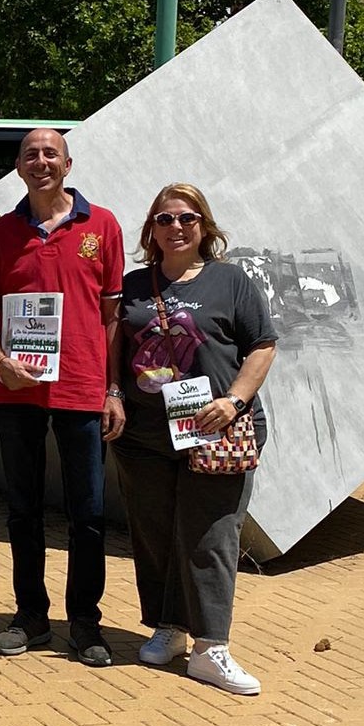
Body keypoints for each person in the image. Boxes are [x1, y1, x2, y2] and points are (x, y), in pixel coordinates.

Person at [115, 184, 277, 694]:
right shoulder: (134, 285)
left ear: (204, 226)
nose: (176, 227)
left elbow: (263, 346)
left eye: (187, 218)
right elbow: (111, 347)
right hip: (145, 433)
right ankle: (169, 628)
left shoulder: (232, 281)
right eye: (164, 219)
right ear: (151, 230)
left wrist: (233, 401)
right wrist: (112, 393)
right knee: (155, 532)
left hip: (215, 429)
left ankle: (212, 646)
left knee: (211, 535)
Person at [0, 128, 125, 667]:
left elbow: (111, 317)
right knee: (23, 509)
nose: (41, 162)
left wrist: (112, 388)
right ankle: (30, 617)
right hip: (15, 390)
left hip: (82, 388)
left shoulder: (102, 225)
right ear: (18, 166)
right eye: (31, 154)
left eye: (50, 154)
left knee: (88, 512)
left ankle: (85, 622)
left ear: (67, 163)